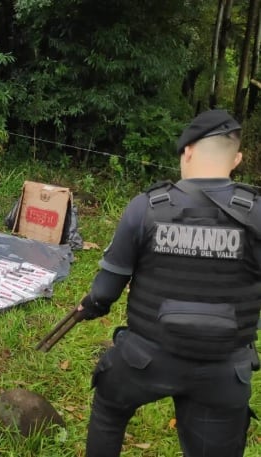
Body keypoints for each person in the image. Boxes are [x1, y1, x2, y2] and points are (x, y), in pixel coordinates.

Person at [77, 109, 261, 457]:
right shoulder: (257, 213)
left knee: (108, 407)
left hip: (146, 358)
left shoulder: (146, 207)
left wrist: (91, 306)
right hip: (223, 369)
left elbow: (104, 293)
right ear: (236, 159)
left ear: (187, 151)